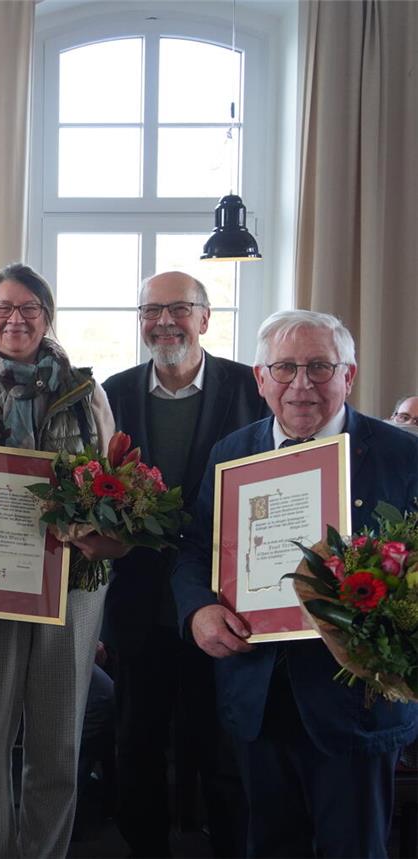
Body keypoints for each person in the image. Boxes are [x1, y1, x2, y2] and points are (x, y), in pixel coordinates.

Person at [172, 309, 418, 857]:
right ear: (260, 378)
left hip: (356, 705)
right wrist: (198, 612)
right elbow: (195, 551)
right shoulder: (233, 453)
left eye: (319, 367)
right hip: (257, 697)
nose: (300, 385)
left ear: (348, 376)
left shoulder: (403, 455)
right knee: (268, 846)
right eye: (284, 368)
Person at [0, 262, 125, 857]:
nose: (15, 319)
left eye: (29, 309)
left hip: (73, 584)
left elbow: (113, 485)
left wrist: (95, 534)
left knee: (58, 744)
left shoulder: (87, 394)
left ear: (47, 317)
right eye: (3, 308)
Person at [102, 271, 265, 856]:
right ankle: (145, 847)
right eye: (150, 310)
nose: (163, 321)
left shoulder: (252, 386)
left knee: (223, 744)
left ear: (205, 316)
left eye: (178, 308)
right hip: (139, 603)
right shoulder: (111, 394)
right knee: (137, 741)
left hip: (228, 602)